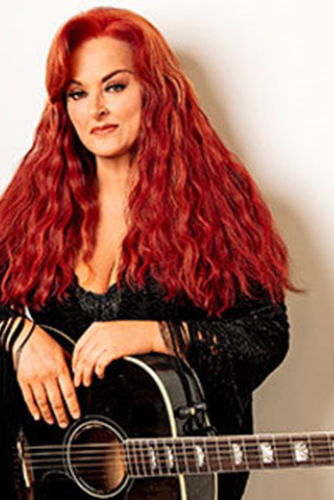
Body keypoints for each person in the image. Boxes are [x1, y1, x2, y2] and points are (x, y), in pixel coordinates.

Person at [0, 6, 292, 499]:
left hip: (166, 485)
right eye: (77, 93)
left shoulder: (217, 201)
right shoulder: (36, 202)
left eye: (114, 86)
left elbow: (266, 335)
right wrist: (18, 335)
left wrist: (154, 334)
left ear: (154, 90)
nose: (96, 109)